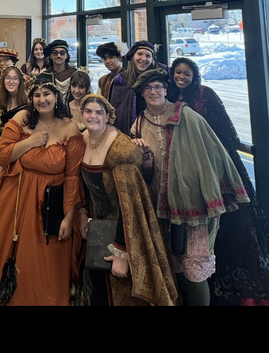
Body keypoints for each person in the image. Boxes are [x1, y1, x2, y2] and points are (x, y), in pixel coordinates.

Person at [131, 69, 250, 306]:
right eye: (148, 88)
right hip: (162, 208)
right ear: (142, 93)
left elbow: (213, 154)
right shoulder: (138, 124)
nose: (153, 92)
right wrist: (144, 156)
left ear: (166, 90)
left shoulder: (187, 116)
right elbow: (144, 174)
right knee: (173, 265)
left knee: (196, 268)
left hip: (196, 205)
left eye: (158, 87)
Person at [0, 82, 83, 306]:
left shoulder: (70, 128)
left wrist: (69, 216)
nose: (42, 99)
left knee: (42, 261)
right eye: (37, 94)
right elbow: (2, 156)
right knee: (4, 254)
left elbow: (72, 177)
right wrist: (30, 142)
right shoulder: (22, 118)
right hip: (14, 199)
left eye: (47, 94)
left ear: (57, 97)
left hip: (49, 204)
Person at [168, 57, 269, 305]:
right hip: (185, 173)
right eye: (177, 72)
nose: (181, 76)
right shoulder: (169, 96)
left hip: (215, 167)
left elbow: (225, 131)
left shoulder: (205, 95)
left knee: (233, 227)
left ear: (194, 76)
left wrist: (220, 164)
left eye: (186, 73)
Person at [77, 94, 177, 307]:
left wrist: (122, 252)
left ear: (108, 117)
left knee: (124, 292)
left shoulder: (120, 149)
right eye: (88, 111)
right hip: (97, 228)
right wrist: (82, 212)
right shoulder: (82, 139)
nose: (92, 116)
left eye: (98, 112)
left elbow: (130, 204)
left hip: (124, 232)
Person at [96, 40, 136, 133]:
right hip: (106, 124)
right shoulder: (103, 80)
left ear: (120, 58)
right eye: (105, 58)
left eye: (111, 57)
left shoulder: (129, 78)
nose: (107, 61)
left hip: (126, 123)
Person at [123, 40, 168, 116]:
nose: (143, 59)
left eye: (148, 56)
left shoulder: (161, 75)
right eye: (140, 54)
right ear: (133, 56)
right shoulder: (121, 79)